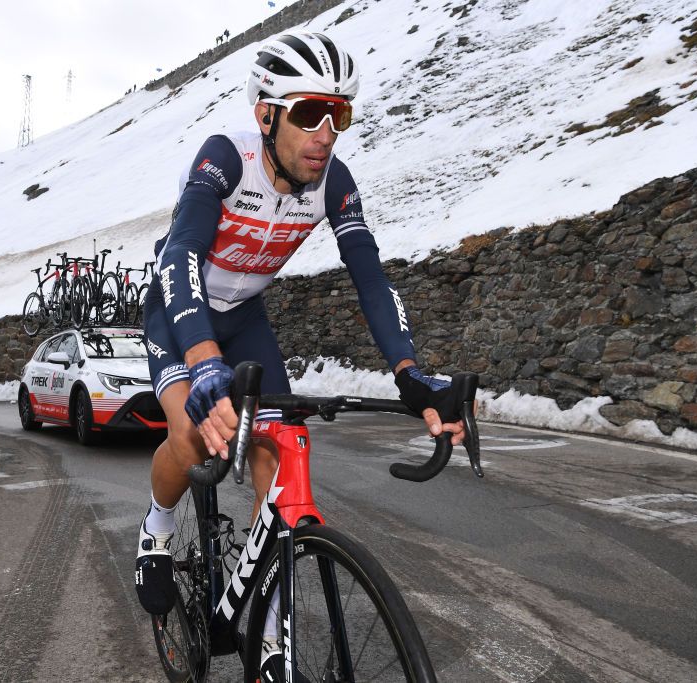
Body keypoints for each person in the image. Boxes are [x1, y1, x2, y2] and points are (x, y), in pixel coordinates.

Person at [133, 31, 473, 674]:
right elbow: (180, 255)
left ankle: (270, 635)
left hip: (247, 319)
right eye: (310, 111)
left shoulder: (333, 183)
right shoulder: (225, 159)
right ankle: (155, 525)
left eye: (338, 114)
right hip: (182, 312)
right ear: (267, 116)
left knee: (279, 454)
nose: (326, 132)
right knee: (189, 432)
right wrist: (204, 361)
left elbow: (370, 278)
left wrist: (411, 376)